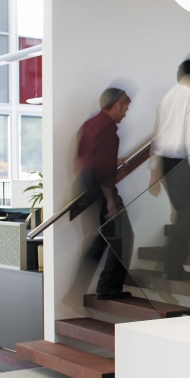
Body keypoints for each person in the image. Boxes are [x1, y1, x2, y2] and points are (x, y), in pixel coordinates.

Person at [150, 57, 190, 280]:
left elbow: (156, 136)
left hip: (164, 162)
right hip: (179, 163)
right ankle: (171, 267)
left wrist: (154, 171)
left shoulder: (166, 99)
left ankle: (173, 266)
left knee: (187, 214)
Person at [76, 86, 134, 299]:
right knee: (123, 236)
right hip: (100, 187)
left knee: (103, 238)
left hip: (86, 185)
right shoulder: (108, 130)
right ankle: (108, 287)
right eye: (126, 108)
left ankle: (76, 291)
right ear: (117, 105)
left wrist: (112, 161)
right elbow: (101, 171)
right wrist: (109, 200)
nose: (126, 113)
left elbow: (88, 157)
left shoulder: (90, 124)